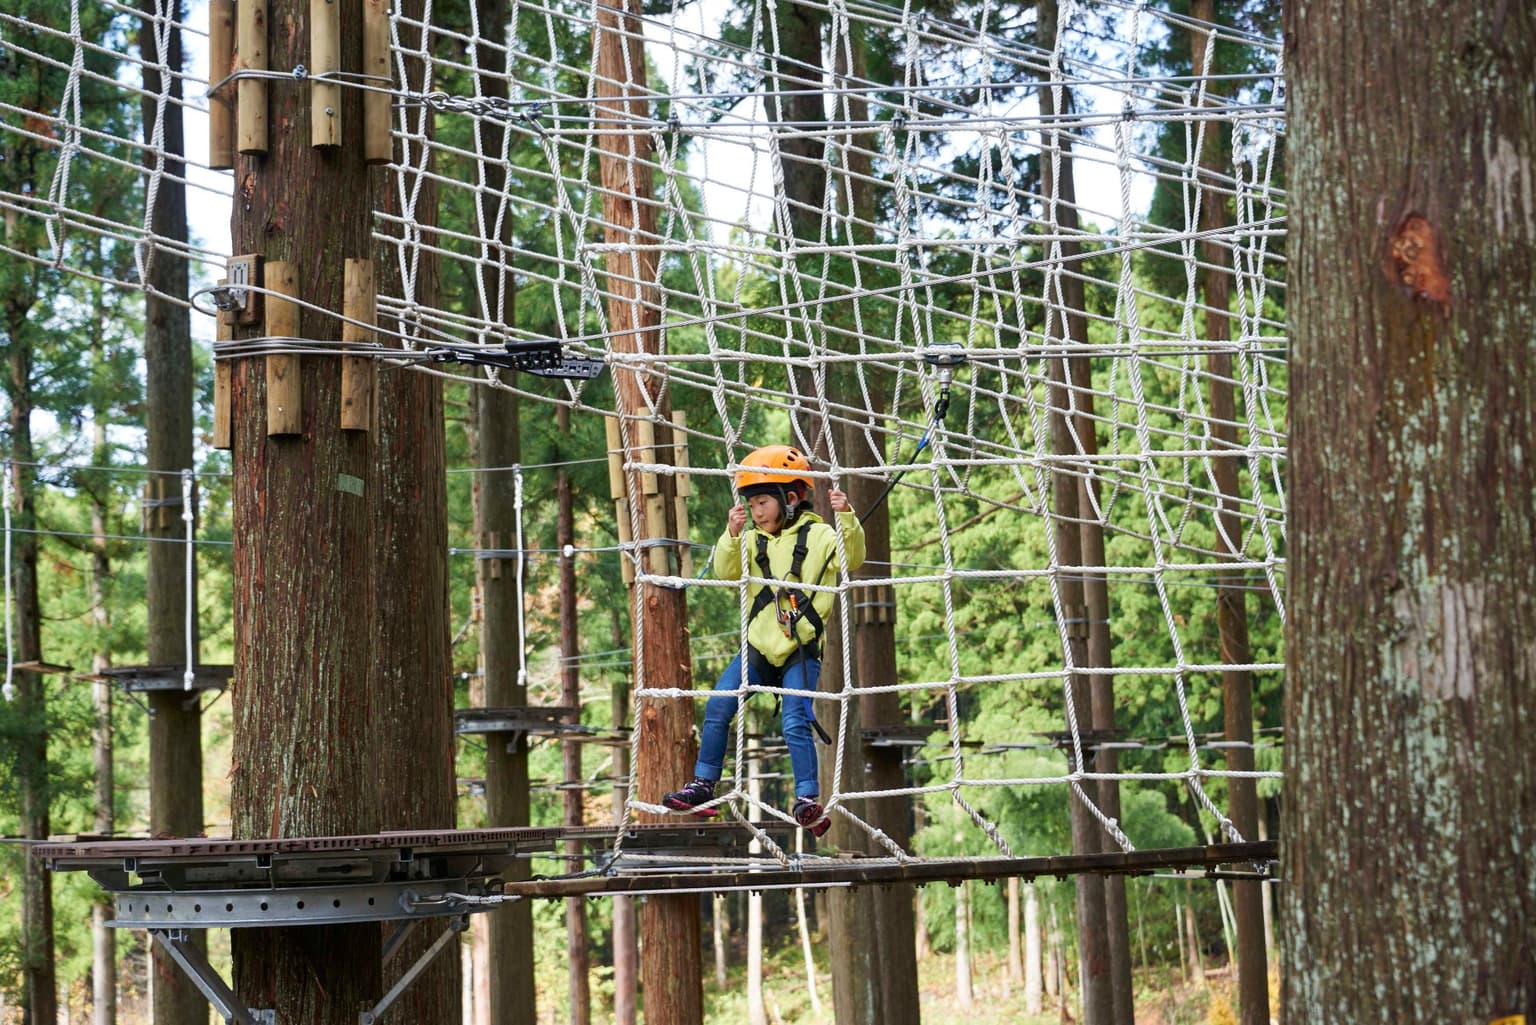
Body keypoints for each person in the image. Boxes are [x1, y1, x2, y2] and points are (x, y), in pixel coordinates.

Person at [663, 444, 865, 837]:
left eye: (762, 503)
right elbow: (725, 571)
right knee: (719, 705)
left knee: (795, 722)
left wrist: (847, 518)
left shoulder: (822, 536)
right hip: (758, 646)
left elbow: (852, 558)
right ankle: (704, 784)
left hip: (799, 652)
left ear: (790, 499)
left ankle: (807, 798)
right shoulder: (753, 539)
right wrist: (732, 533)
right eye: (751, 504)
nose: (756, 512)